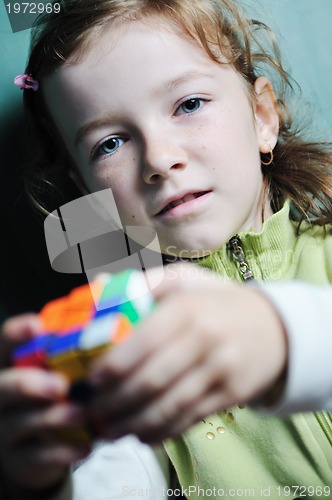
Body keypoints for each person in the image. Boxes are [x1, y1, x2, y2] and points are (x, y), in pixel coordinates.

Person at [2, 0, 332, 498]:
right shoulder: (117, 331)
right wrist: (46, 479)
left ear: (262, 118)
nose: (158, 158)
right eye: (110, 143)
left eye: (189, 104)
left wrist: (283, 339)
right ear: (89, 191)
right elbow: (116, 476)